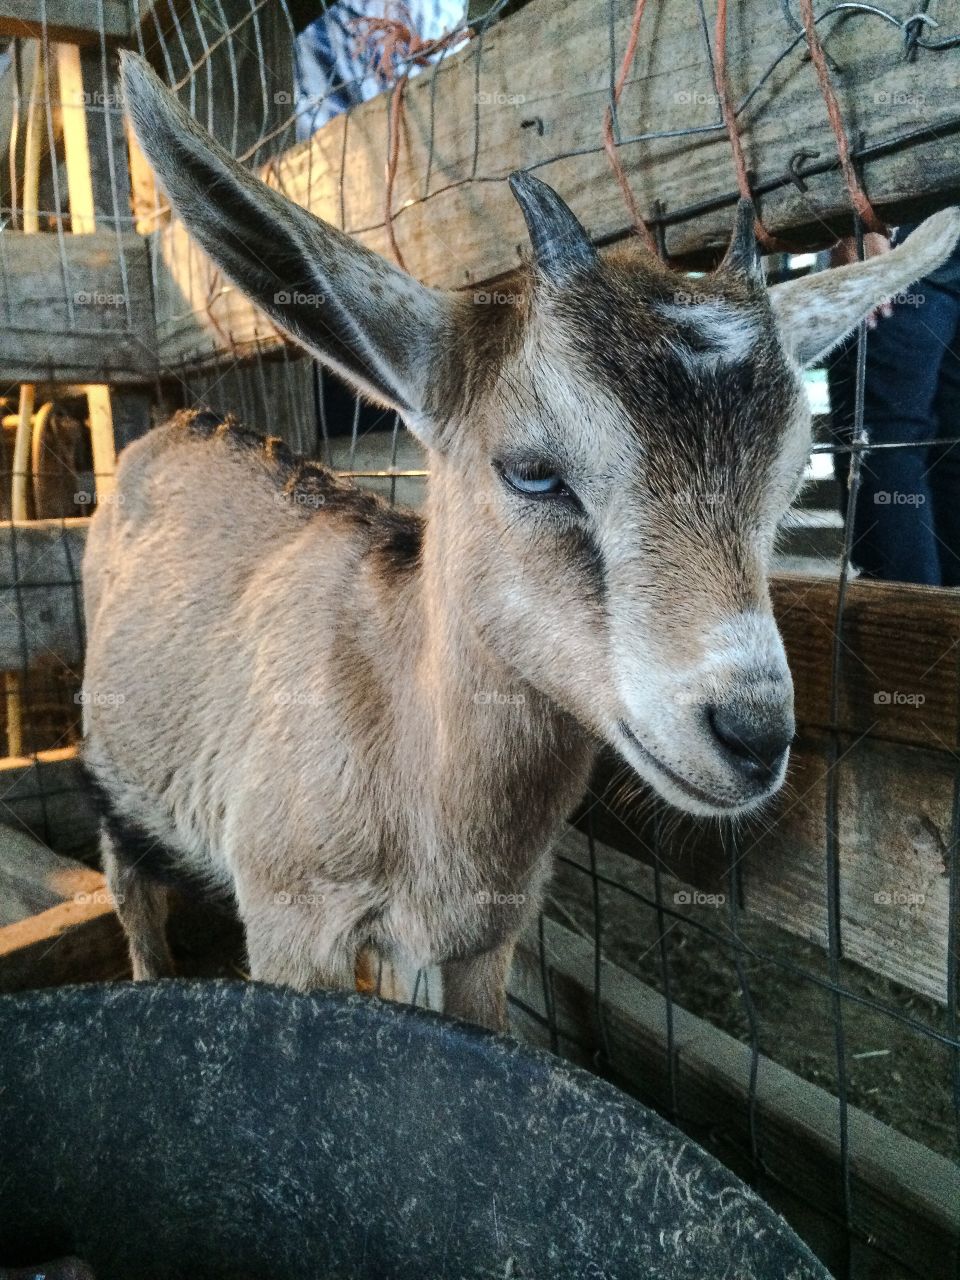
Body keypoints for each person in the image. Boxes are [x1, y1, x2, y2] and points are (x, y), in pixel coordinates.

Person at [826, 223, 960, 586]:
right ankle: (938, 625)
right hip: (928, 256)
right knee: (944, 453)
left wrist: (858, 223)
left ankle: (906, 628)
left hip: (911, 251)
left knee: (883, 441)